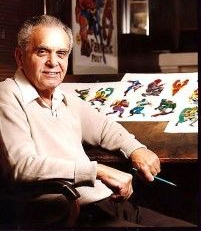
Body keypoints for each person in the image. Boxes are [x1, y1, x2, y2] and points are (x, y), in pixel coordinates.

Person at [0, 15, 195, 228]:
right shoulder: (7, 95)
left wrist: (135, 149)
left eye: (61, 54)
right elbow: (22, 166)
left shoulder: (61, 94)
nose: (53, 63)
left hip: (104, 202)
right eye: (42, 52)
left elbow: (104, 127)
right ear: (20, 57)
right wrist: (98, 170)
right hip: (67, 214)